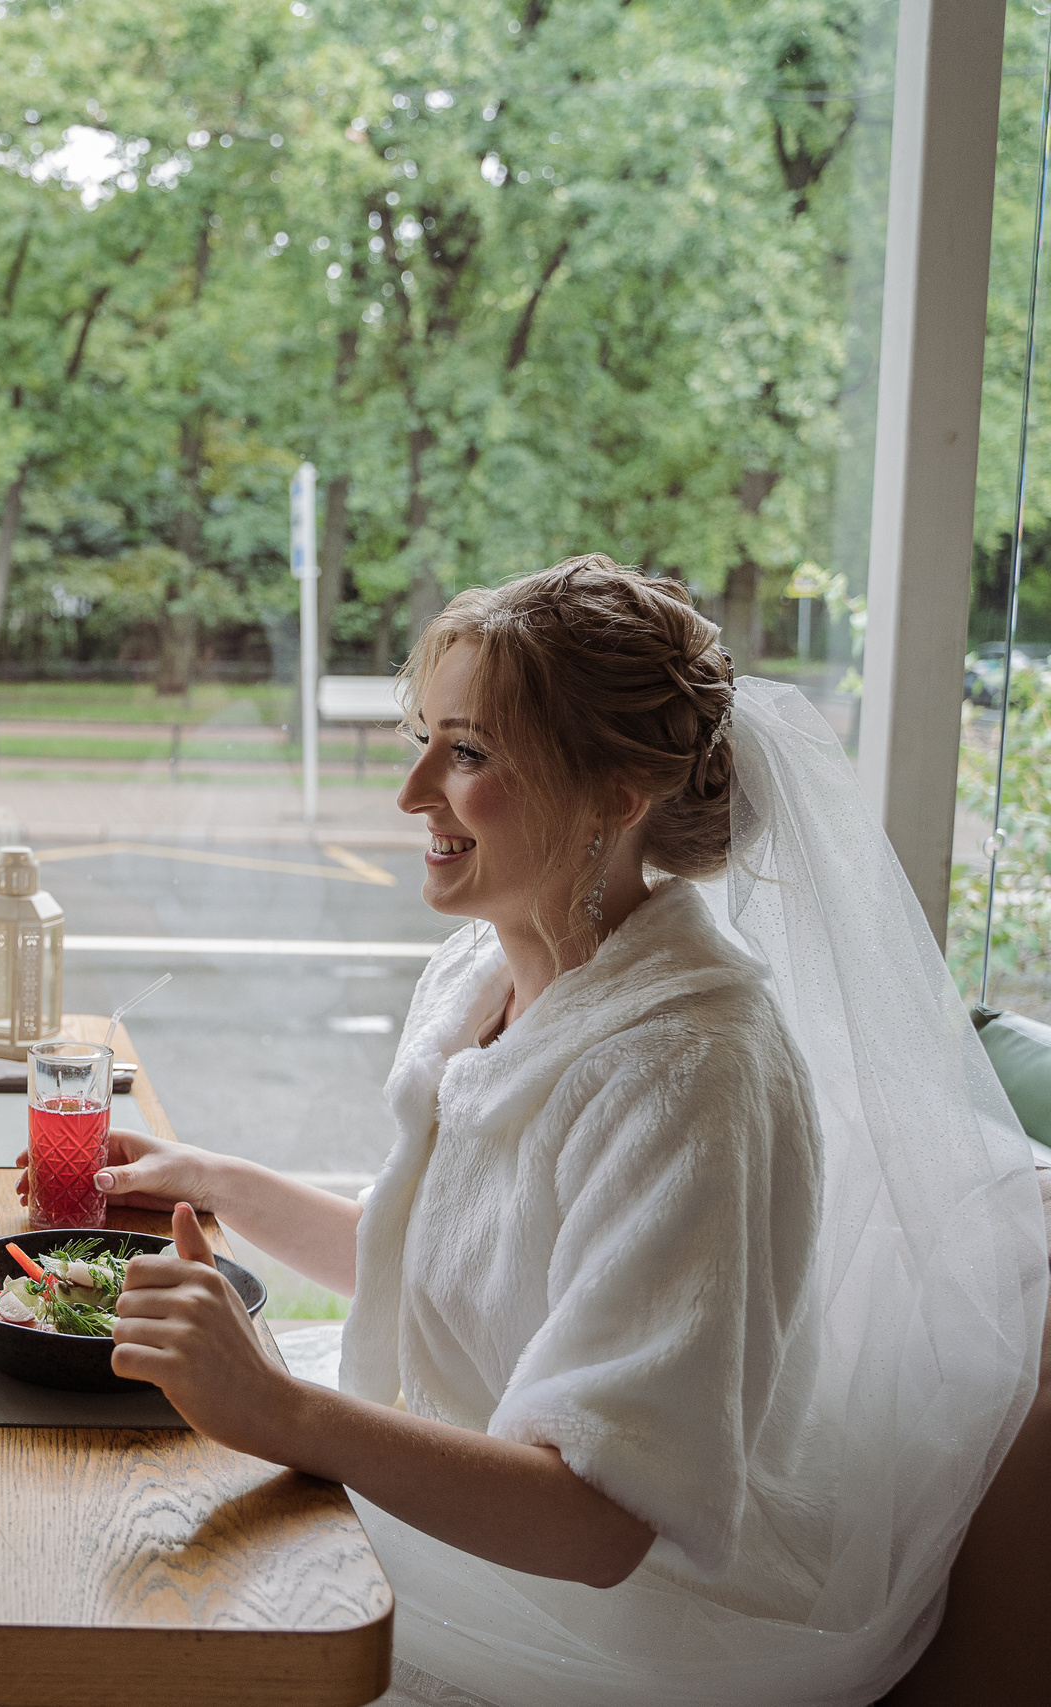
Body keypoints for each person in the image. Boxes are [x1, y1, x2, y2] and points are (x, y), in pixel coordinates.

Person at [89, 558, 1046, 1705]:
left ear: (616, 794)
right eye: (424, 739)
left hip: (616, 1618)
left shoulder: (690, 1072)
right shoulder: (481, 975)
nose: (411, 793)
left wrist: (281, 1411)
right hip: (479, 1508)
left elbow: (601, 1521)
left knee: (132, 1602)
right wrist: (215, 1183)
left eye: (467, 753)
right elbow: (443, 1271)